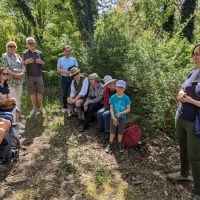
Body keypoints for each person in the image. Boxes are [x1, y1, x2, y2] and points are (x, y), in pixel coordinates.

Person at [166, 44, 200, 200]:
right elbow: (183, 87)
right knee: (183, 148)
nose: (194, 57)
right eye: (193, 54)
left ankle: (198, 192)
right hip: (180, 116)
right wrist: (180, 93)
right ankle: (184, 173)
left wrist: (192, 101)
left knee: (196, 157)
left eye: (198, 54)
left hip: (194, 122)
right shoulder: (193, 72)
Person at [2, 41, 26, 129]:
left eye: (14, 47)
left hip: (19, 80)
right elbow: (6, 68)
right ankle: (13, 121)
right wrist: (14, 74)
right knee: (12, 100)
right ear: (7, 47)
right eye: (10, 47)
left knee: (18, 99)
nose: (12, 48)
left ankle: (17, 119)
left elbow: (23, 65)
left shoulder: (18, 56)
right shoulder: (5, 56)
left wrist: (22, 73)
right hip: (11, 81)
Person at [105, 80, 131, 153]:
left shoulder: (126, 98)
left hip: (122, 118)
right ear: (116, 87)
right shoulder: (113, 97)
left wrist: (122, 113)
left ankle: (119, 143)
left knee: (120, 132)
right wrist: (113, 117)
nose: (119, 89)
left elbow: (128, 109)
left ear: (124, 89)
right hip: (113, 118)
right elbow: (111, 108)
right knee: (112, 131)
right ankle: (110, 144)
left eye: (121, 88)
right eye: (118, 87)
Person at [22, 37, 46, 115]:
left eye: (32, 43)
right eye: (29, 43)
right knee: (32, 92)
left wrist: (41, 62)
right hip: (29, 75)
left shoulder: (40, 53)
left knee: (40, 92)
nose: (31, 44)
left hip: (39, 75)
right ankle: (34, 108)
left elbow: (44, 64)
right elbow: (22, 65)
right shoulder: (25, 53)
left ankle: (41, 107)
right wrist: (26, 62)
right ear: (27, 44)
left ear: (35, 44)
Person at [0, 67, 24, 137]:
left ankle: (16, 127)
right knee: (13, 109)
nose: (5, 75)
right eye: (3, 73)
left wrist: (6, 97)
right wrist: (8, 98)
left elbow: (9, 96)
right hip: (1, 106)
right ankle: (14, 130)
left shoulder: (5, 84)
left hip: (6, 104)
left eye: (7, 74)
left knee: (14, 107)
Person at [57, 46, 78, 114]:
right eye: (67, 51)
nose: (68, 52)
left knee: (73, 92)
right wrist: (66, 72)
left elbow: (76, 68)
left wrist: (71, 72)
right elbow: (58, 69)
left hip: (72, 78)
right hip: (64, 78)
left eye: (69, 51)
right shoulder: (60, 59)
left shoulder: (73, 59)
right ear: (64, 51)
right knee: (64, 93)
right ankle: (65, 107)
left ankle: (74, 107)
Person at [95, 75, 117, 140]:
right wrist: (106, 107)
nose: (110, 85)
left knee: (106, 114)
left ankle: (108, 131)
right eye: (108, 84)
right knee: (99, 112)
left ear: (113, 82)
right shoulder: (106, 90)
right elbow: (105, 101)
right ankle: (100, 127)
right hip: (108, 106)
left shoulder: (118, 89)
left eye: (110, 83)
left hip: (116, 108)